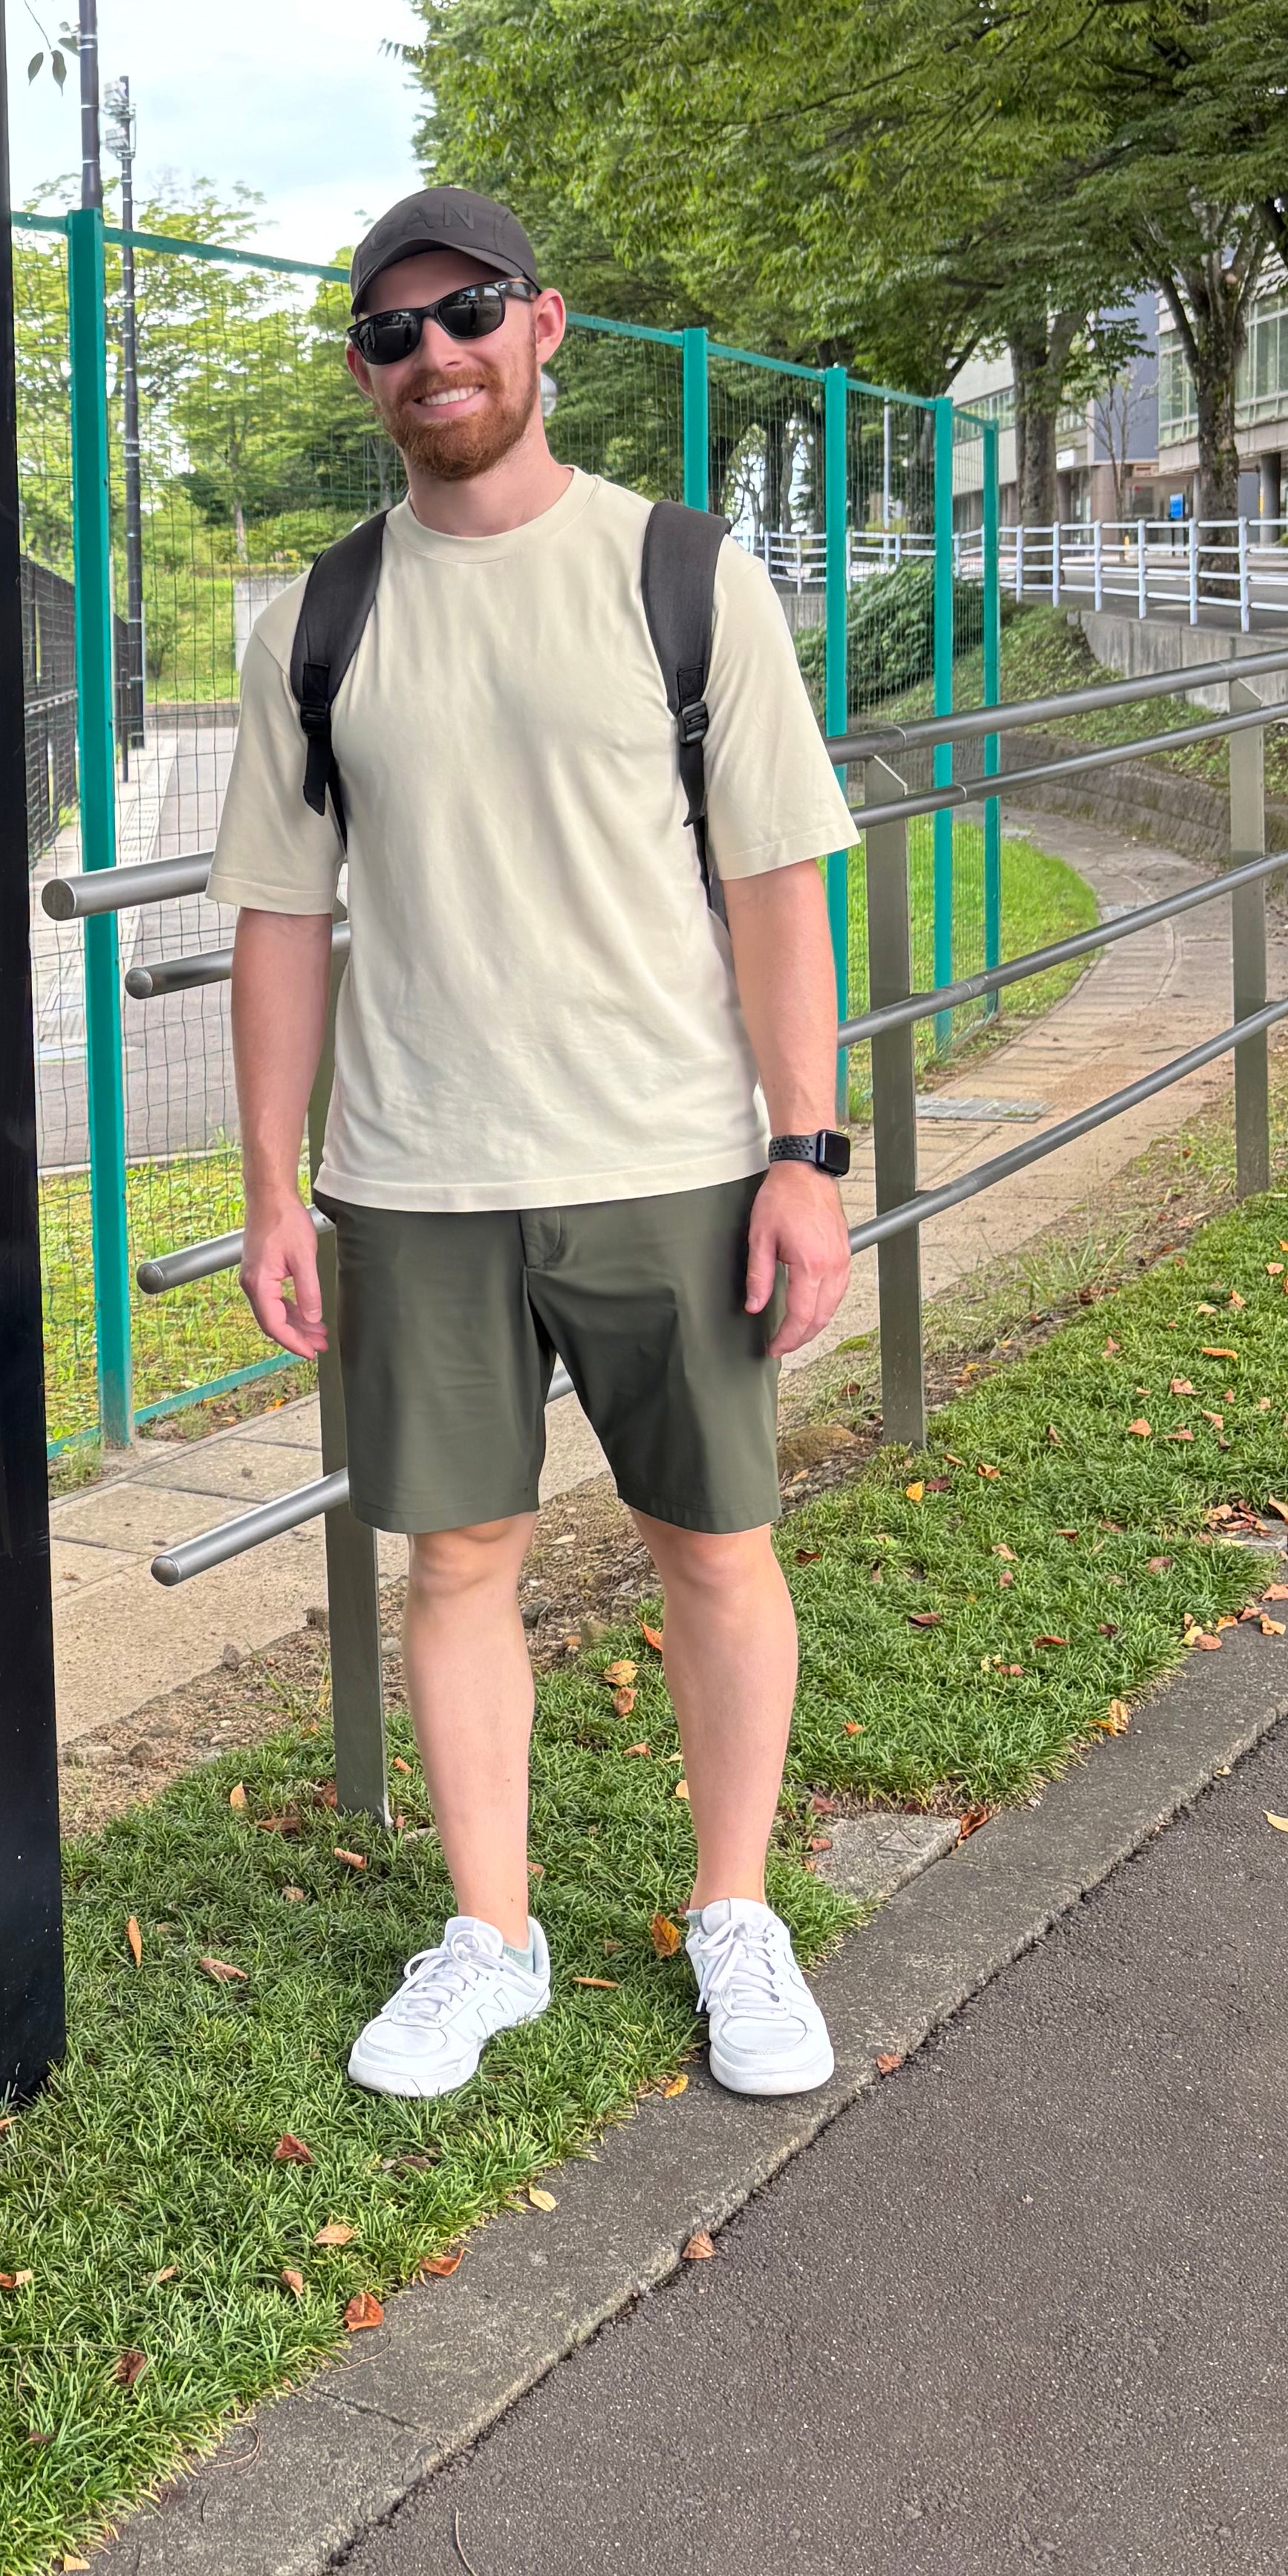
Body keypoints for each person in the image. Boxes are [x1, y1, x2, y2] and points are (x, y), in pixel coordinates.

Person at [209, 187, 862, 2104]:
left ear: (546, 324)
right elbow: (274, 922)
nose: (437, 355)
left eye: (469, 310)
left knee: (715, 1549)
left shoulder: (678, 573)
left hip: (665, 1157)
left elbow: (772, 882)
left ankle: (731, 1912)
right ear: (363, 376)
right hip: (412, 1178)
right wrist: (269, 1182)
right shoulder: (313, 623)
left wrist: (801, 1152)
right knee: (457, 1563)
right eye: (393, 334)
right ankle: (489, 1934)